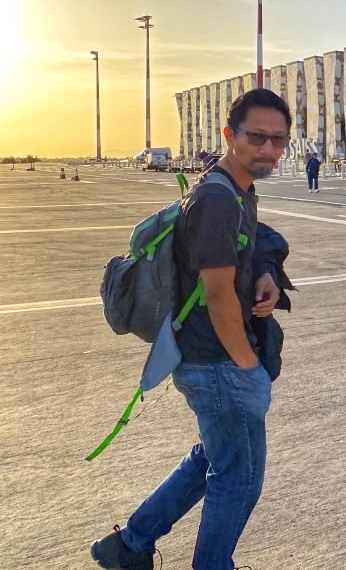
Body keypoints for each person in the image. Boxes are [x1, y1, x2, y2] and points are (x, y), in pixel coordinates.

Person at [91, 88, 290, 570]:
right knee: (238, 477)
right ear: (230, 135)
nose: (268, 149)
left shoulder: (232, 188)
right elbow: (219, 294)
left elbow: (241, 259)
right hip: (219, 363)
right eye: (257, 137)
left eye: (278, 140)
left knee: (212, 458)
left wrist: (263, 273)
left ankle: (129, 546)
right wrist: (248, 368)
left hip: (208, 358)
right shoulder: (217, 200)